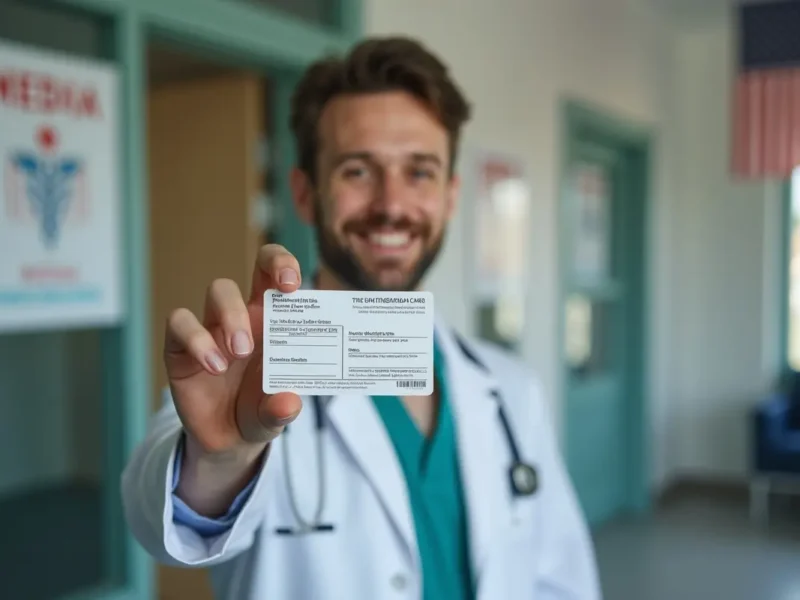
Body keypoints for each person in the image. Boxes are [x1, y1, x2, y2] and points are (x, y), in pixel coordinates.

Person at [121, 36, 601, 600]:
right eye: (357, 171)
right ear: (305, 194)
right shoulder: (251, 374)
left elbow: (562, 579)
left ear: (450, 196)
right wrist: (220, 460)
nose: (391, 204)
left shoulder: (512, 389)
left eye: (419, 172)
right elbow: (158, 520)